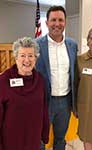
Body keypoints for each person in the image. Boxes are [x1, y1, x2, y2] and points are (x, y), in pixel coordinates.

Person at [0, 37, 49, 150]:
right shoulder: (3, 81)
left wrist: (44, 134)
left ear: (36, 58)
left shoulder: (40, 80)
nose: (27, 60)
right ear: (16, 58)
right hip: (10, 141)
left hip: (33, 139)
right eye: (22, 56)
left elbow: (44, 109)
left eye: (31, 56)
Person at [36, 5, 78, 150]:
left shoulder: (72, 45)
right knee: (40, 139)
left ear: (65, 22)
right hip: (43, 102)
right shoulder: (36, 45)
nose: (57, 24)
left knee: (60, 139)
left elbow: (74, 74)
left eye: (61, 20)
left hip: (65, 103)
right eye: (53, 20)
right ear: (46, 22)